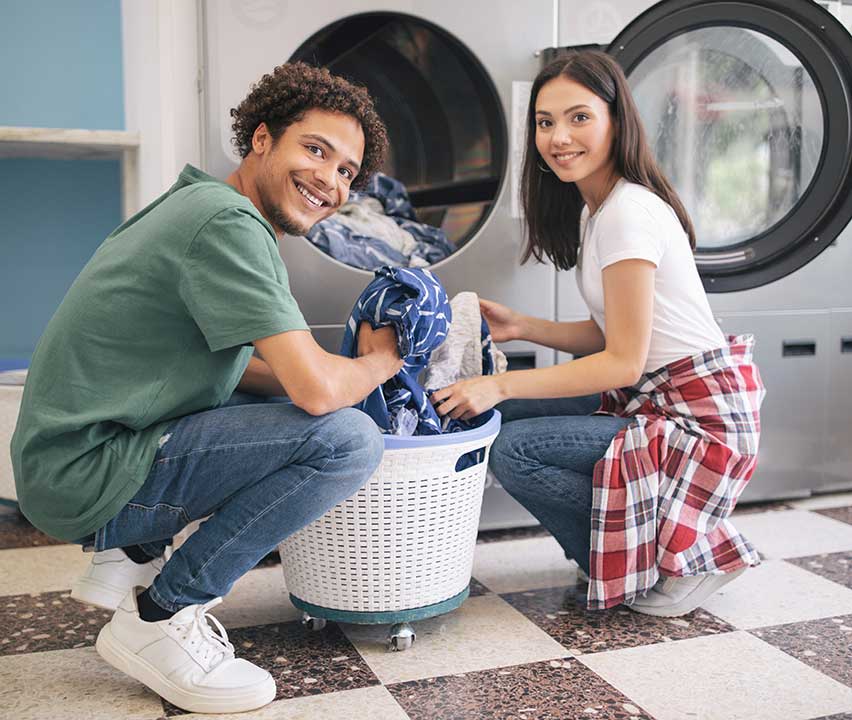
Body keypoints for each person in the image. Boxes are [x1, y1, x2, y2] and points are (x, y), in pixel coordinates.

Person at [11, 63, 402, 714]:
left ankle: (130, 554)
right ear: (261, 139)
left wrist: (329, 378)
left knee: (293, 400)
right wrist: (382, 362)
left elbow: (236, 369)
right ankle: (159, 616)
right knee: (348, 442)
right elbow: (312, 392)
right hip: (86, 471)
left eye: (345, 173)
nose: (330, 181)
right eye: (316, 150)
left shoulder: (198, 204)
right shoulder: (228, 227)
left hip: (72, 456)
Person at [430, 51, 765, 617]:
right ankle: (627, 548)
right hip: (655, 395)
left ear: (616, 120)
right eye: (545, 122)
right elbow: (618, 334)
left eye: (578, 117)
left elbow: (623, 363)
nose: (559, 137)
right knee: (501, 421)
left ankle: (675, 556)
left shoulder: (628, 214)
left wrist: (499, 386)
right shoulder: (598, 210)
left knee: (514, 448)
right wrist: (524, 327)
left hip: (696, 420)